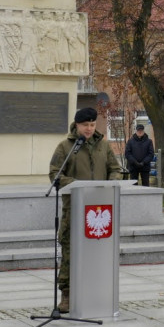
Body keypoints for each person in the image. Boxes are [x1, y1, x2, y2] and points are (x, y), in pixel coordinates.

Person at [49, 107, 121, 313]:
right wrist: (77, 184)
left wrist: (112, 182)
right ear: (76, 125)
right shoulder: (65, 147)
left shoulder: (104, 146)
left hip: (99, 208)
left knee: (98, 250)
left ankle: (96, 291)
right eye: (85, 125)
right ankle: (67, 294)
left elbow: (115, 169)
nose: (89, 129)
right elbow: (55, 174)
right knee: (70, 250)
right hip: (74, 208)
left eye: (92, 125)